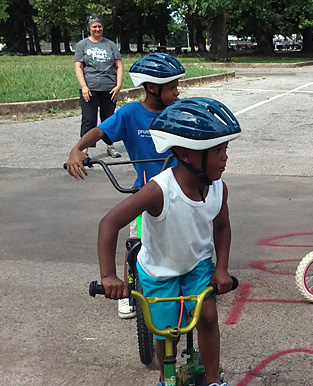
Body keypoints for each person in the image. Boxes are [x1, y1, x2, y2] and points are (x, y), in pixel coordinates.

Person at [97, 97, 241, 386]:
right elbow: (110, 222)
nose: (225, 157)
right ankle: (167, 377)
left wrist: (221, 268)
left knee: (208, 316)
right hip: (159, 270)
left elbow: (222, 227)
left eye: (225, 149)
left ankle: (214, 380)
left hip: (197, 265)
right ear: (186, 155)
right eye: (217, 151)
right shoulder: (159, 190)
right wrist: (108, 275)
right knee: (166, 332)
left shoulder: (217, 189)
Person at [67, 53, 185, 319]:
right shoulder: (131, 113)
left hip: (181, 191)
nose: (178, 92)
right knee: (136, 243)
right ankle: (128, 290)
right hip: (145, 191)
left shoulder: (179, 112)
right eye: (172, 87)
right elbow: (99, 132)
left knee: (191, 235)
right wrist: (78, 149)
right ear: (152, 88)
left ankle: (191, 282)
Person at [74, 14, 123, 158]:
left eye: (99, 26)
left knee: (108, 119)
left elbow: (119, 66)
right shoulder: (82, 45)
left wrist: (118, 85)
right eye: (94, 26)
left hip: (109, 88)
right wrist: (84, 86)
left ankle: (110, 146)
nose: (97, 29)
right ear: (89, 28)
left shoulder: (110, 45)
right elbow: (78, 67)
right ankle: (84, 150)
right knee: (89, 119)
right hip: (90, 88)